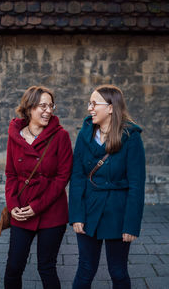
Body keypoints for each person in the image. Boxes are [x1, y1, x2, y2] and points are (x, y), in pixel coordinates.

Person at [69, 84, 145, 289]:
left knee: (118, 271)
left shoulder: (131, 137)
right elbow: (77, 177)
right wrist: (76, 215)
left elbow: (137, 185)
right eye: (89, 103)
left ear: (111, 107)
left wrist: (131, 225)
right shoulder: (84, 136)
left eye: (94, 104)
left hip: (118, 213)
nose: (90, 108)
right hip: (89, 210)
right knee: (85, 269)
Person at [4, 86, 73, 289]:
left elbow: (62, 177)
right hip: (21, 211)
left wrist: (37, 206)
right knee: (13, 268)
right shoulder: (15, 136)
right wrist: (12, 205)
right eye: (43, 105)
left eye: (51, 105)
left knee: (46, 268)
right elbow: (10, 174)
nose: (48, 110)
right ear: (29, 108)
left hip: (51, 212)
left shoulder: (61, 136)